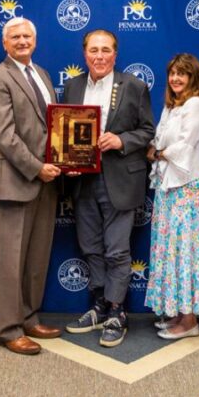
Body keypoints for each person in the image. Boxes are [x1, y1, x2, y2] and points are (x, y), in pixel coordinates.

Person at [63, 29, 155, 348]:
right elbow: (63, 132)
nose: (99, 56)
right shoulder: (72, 86)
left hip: (120, 179)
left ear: (115, 55)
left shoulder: (134, 85)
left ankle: (118, 311)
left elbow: (147, 131)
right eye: (93, 50)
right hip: (83, 180)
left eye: (106, 50)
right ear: (84, 53)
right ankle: (100, 304)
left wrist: (121, 140)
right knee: (90, 246)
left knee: (117, 249)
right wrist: (67, 160)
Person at [0, 17, 63, 356]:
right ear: (4, 43)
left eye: (27, 35)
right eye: (15, 36)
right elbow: (3, 134)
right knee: (10, 259)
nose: (22, 40)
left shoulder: (42, 74)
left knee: (36, 257)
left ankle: (29, 317)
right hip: (16, 179)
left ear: (36, 39)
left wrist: (62, 161)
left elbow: (53, 126)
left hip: (46, 180)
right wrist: (36, 167)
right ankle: (9, 328)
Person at [144, 54, 199, 339]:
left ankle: (190, 322)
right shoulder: (171, 106)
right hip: (169, 188)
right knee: (171, 253)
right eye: (173, 73)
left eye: (182, 74)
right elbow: (158, 139)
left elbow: (183, 145)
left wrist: (159, 153)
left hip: (190, 190)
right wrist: (157, 149)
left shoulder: (196, 104)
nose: (176, 79)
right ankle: (178, 313)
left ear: (193, 78)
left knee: (187, 254)